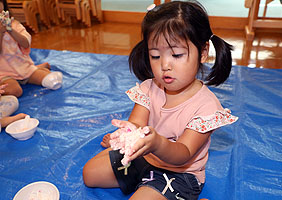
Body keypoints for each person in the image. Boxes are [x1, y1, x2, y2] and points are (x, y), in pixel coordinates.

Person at [83, 1, 238, 200]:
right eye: (155, 56)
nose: (165, 65)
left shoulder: (206, 107)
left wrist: (156, 143)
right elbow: (137, 123)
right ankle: (141, 181)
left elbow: (183, 153)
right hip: (144, 158)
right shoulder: (149, 88)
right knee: (90, 174)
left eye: (176, 54)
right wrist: (126, 136)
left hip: (180, 174)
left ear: (203, 52)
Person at [0, 0, 63, 98]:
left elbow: (25, 44)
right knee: (15, 91)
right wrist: (1, 33)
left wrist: (10, 30)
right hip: (4, 73)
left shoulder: (14, 24)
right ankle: (39, 68)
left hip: (23, 67)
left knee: (53, 81)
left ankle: (36, 69)